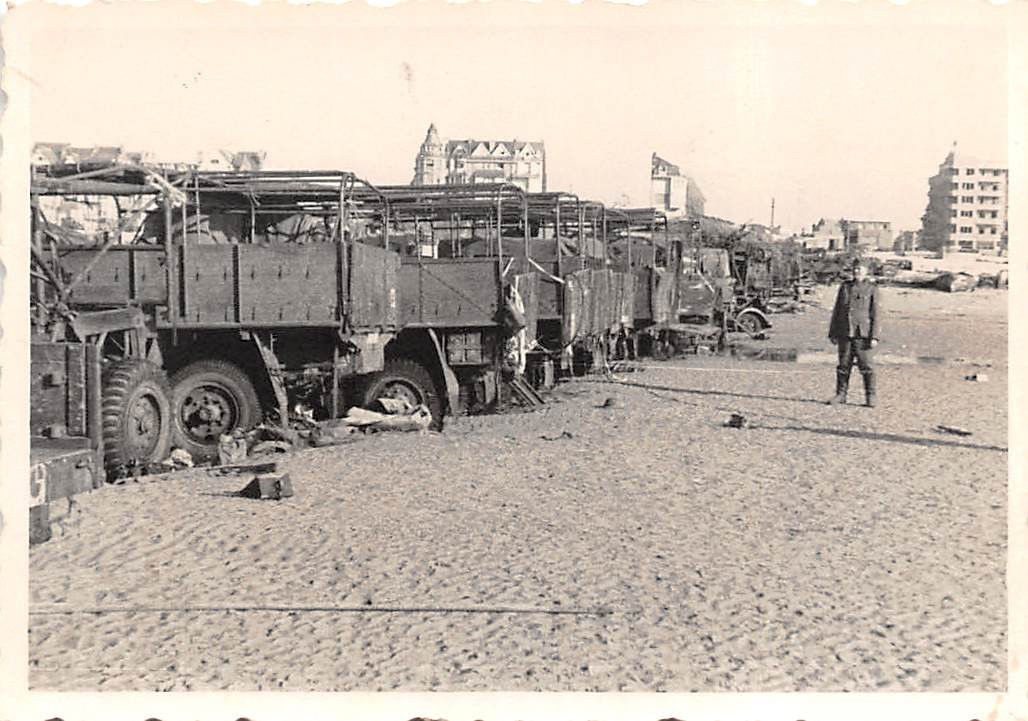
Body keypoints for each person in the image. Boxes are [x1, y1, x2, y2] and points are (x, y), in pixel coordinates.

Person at [827, 258, 880, 407]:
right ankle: (841, 394)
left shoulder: (872, 289)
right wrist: (833, 333)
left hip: (863, 334)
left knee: (867, 366)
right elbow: (837, 310)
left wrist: (874, 336)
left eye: (860, 269)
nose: (857, 272)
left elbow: (876, 314)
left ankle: (871, 396)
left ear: (866, 272)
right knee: (843, 366)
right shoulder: (845, 287)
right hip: (845, 332)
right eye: (855, 269)